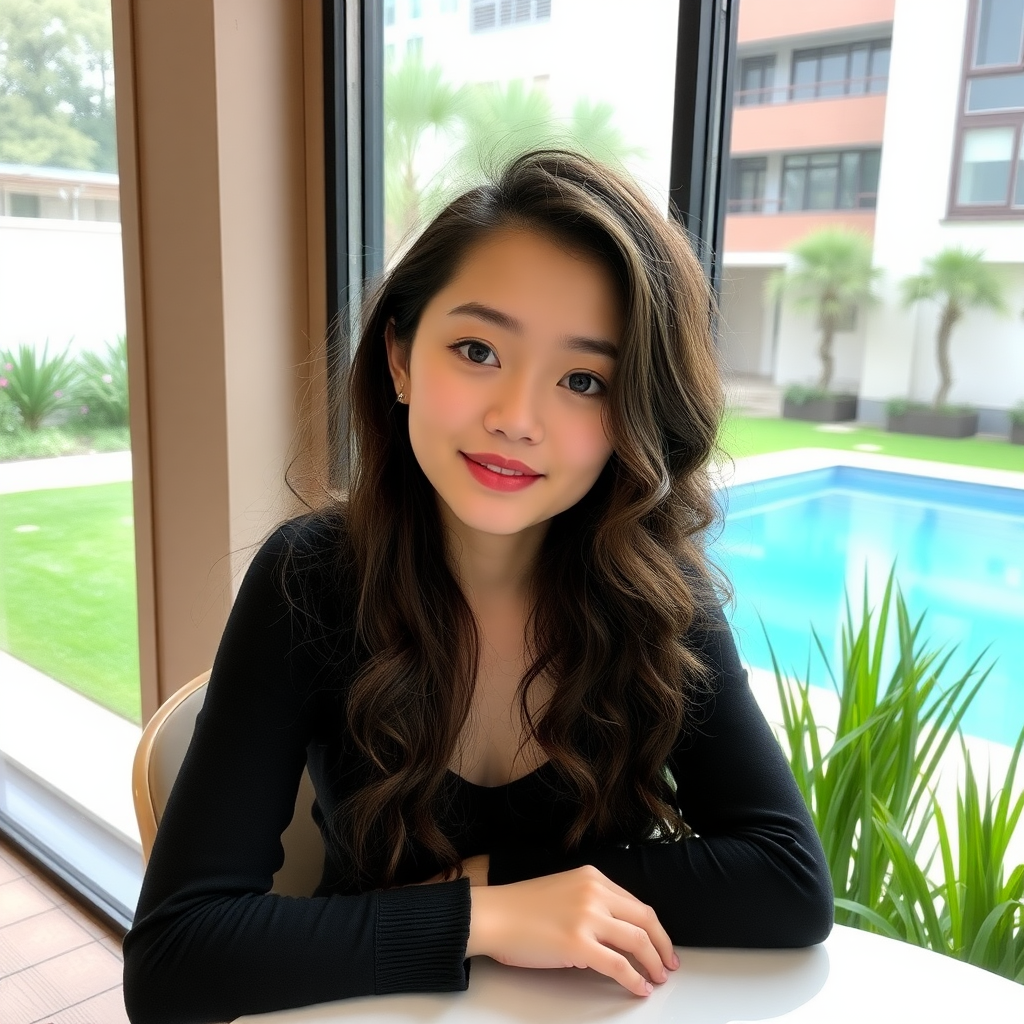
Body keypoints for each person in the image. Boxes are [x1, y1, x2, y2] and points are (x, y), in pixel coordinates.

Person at [123, 150, 833, 1024]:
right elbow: (175, 960)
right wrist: (481, 919)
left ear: (633, 415)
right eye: (477, 349)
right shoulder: (311, 577)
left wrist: (500, 885)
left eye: (584, 380)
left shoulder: (660, 593)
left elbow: (788, 882)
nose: (517, 418)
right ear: (400, 358)